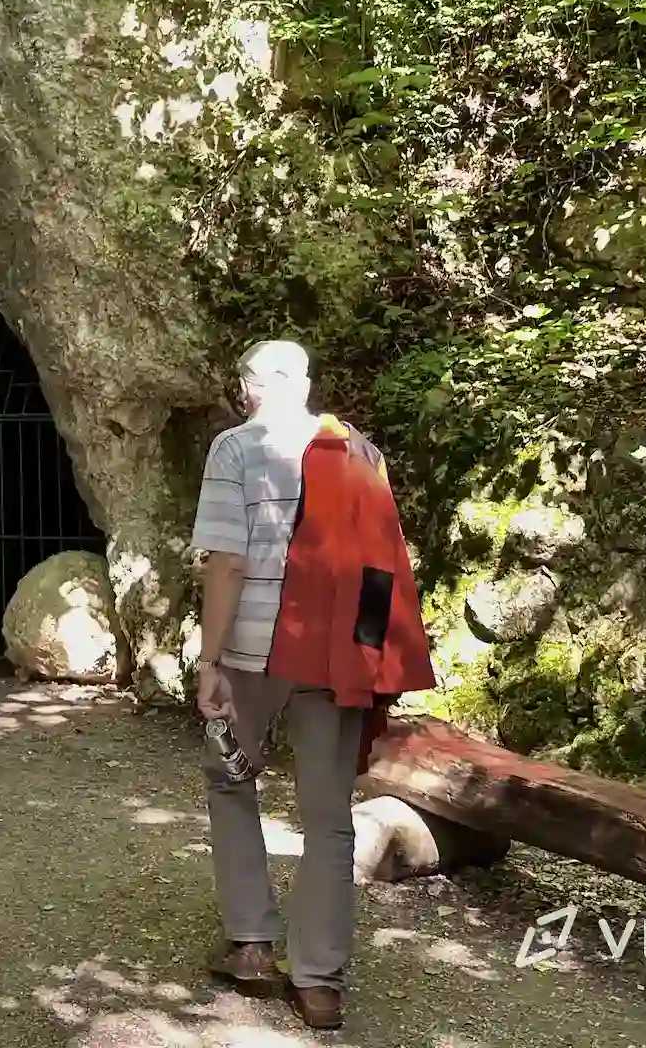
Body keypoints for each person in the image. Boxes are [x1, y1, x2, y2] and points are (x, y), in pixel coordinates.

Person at [189, 340, 437, 1030]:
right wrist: (366, 662)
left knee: (231, 780)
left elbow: (227, 563)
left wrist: (209, 661)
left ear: (250, 386)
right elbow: (382, 567)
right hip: (332, 657)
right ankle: (318, 981)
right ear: (303, 383)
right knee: (328, 818)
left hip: (252, 653)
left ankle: (251, 941)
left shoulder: (235, 449)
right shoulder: (359, 453)